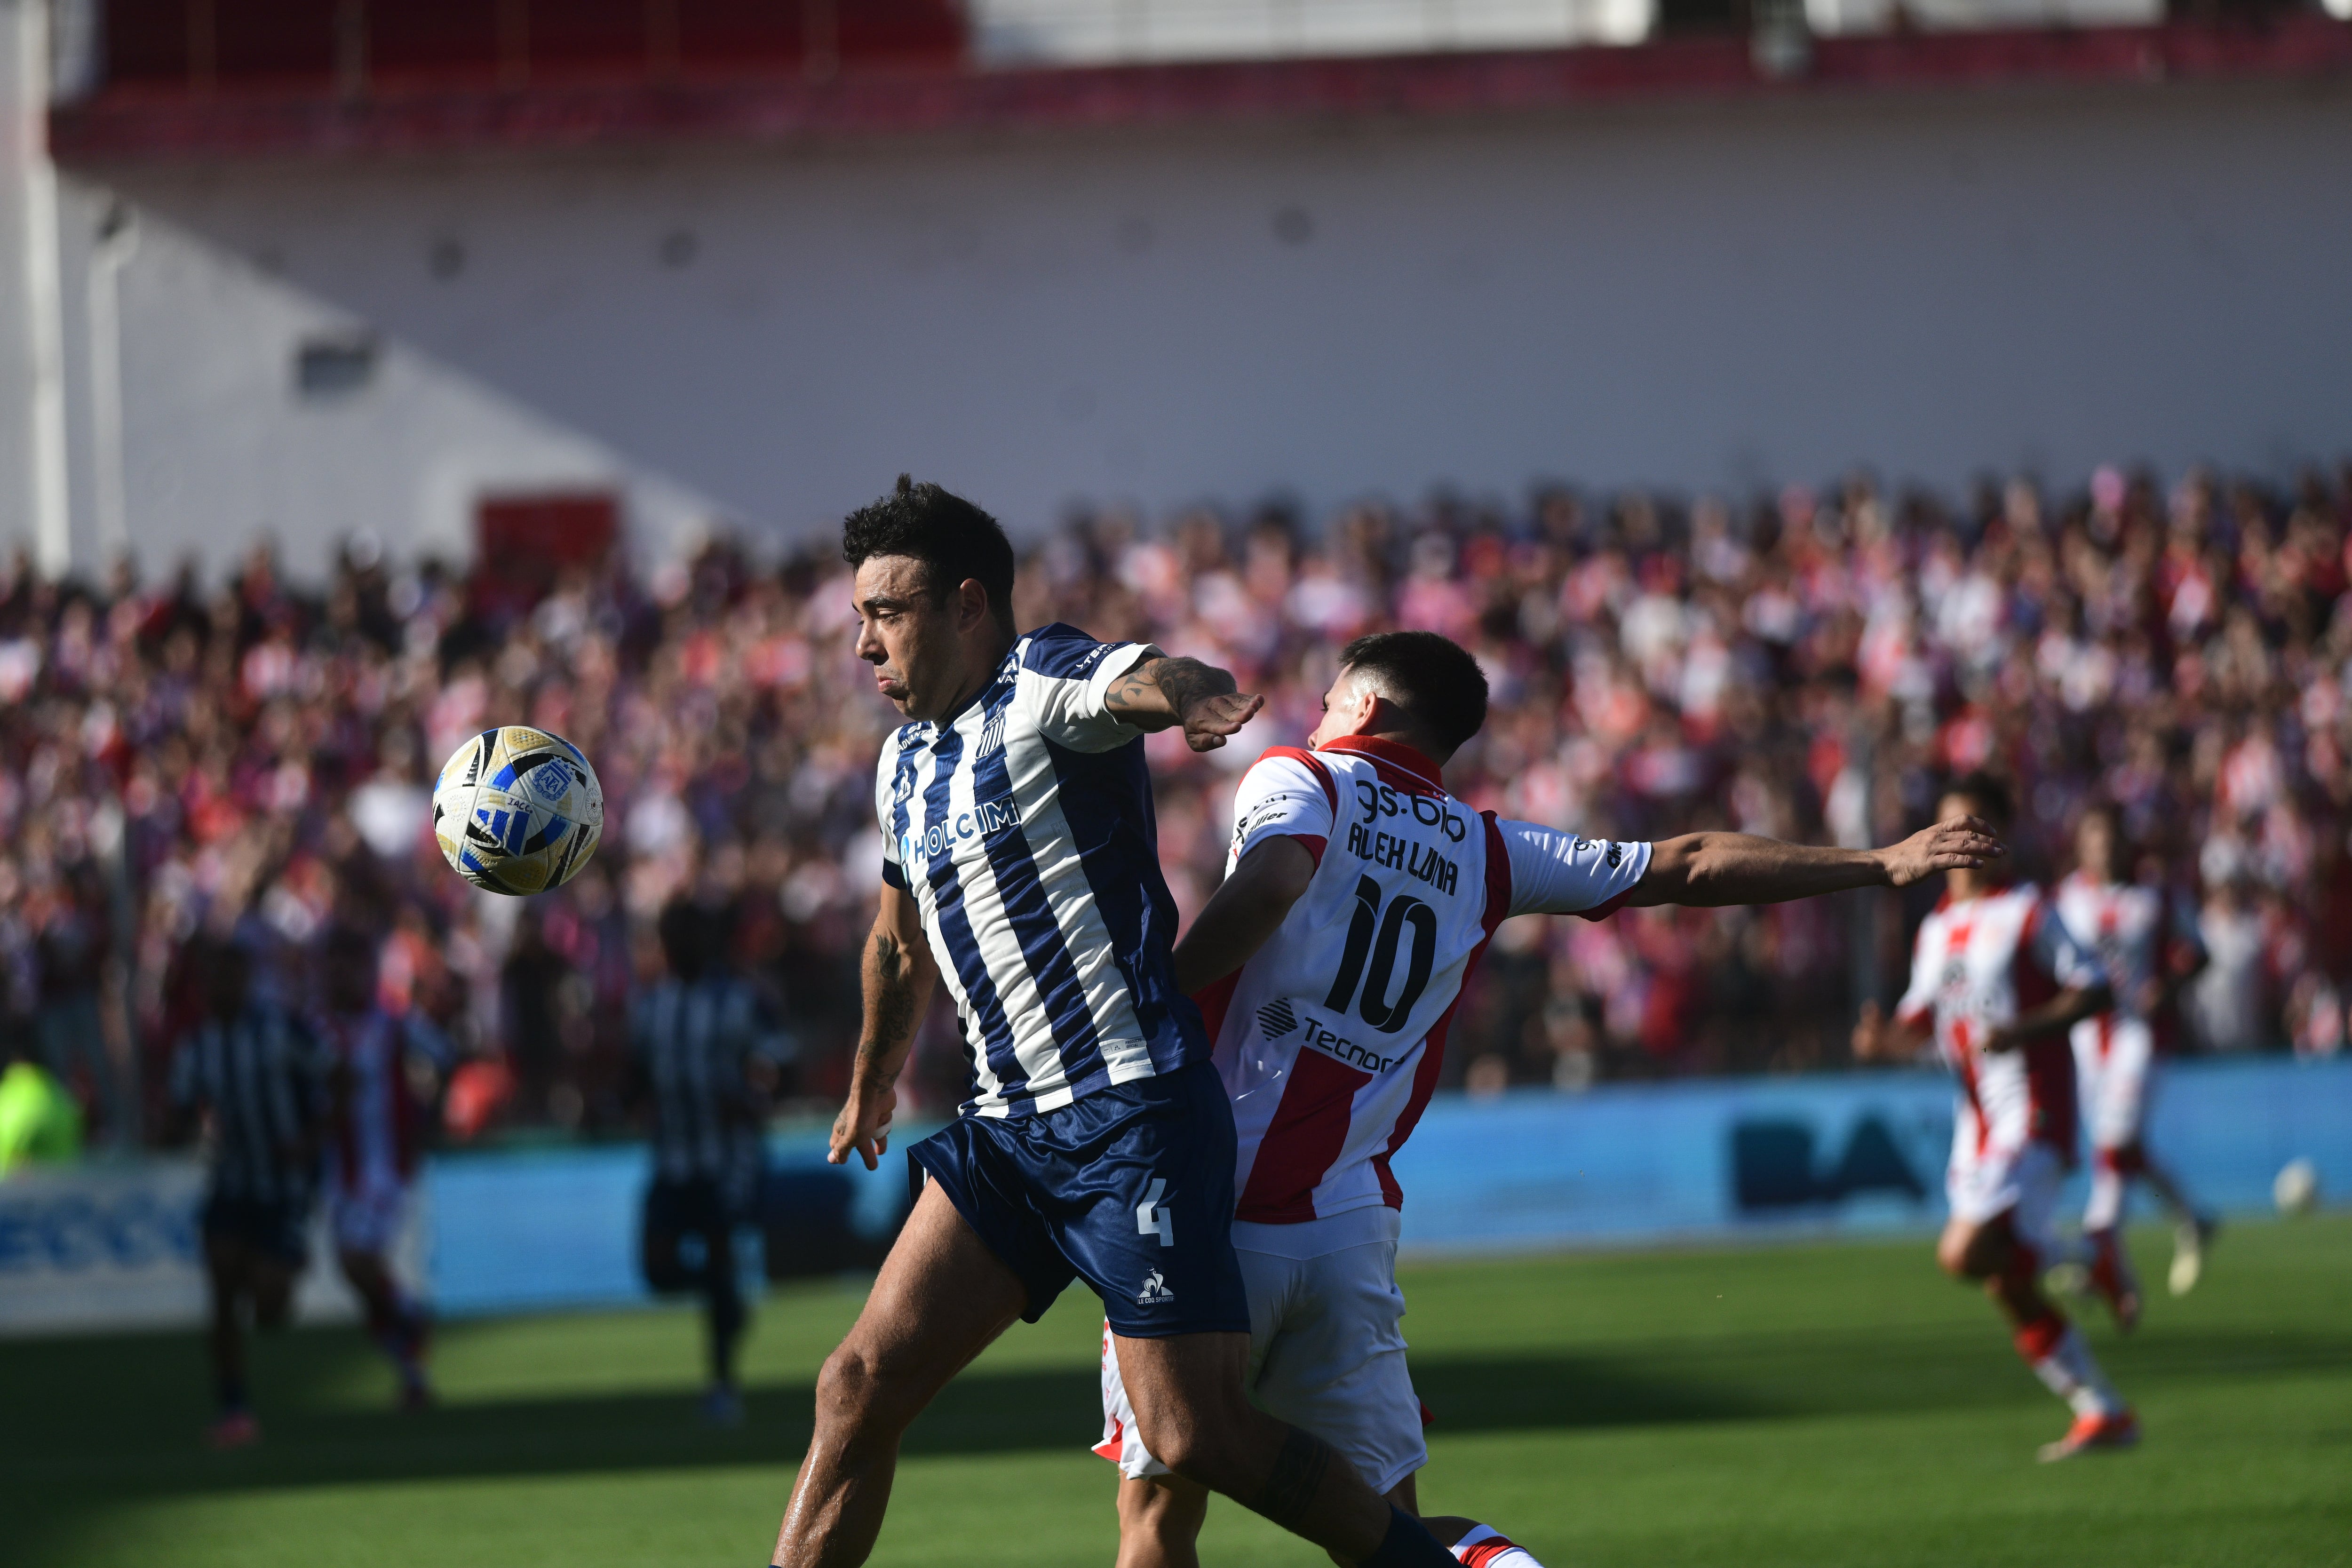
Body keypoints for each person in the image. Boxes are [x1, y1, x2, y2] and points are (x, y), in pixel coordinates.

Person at [1098, 631, 2015, 1567]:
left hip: (1209, 1206)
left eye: (1331, 700)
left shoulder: (1302, 777)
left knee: (1159, 1518)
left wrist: (1152, 1006)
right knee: (1388, 1535)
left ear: (1363, 708)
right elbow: (1688, 861)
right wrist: (1878, 860)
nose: (1319, 714)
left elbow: (1271, 885)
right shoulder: (1487, 848)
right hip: (1345, 1224)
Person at [769, 478, 1465, 1568]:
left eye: (887, 612)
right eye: (859, 615)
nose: (863, 644)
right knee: (855, 1386)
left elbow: (1142, 679)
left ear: (965, 605)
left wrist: (1189, 700)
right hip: (1008, 1133)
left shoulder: (1040, 679)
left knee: (1196, 1434)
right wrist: (871, 1075)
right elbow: (897, 942)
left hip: (1132, 1117)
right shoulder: (903, 766)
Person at [1854, 772, 2135, 1462]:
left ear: (2000, 835)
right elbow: (1918, 1023)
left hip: (2033, 1115)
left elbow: (2095, 990)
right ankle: (2100, 1408)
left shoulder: (2029, 911)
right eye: (1950, 826)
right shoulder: (1937, 930)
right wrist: (1879, 1043)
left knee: (1964, 1252)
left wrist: (2024, 1027)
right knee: (2005, 1281)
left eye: (1976, 824)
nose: (1961, 839)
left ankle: (2087, 1253)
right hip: (1974, 1128)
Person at [167, 936, 331, 1449]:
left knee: (268, 1306)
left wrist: (311, 1140)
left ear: (247, 980)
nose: (222, 986)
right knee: (221, 1291)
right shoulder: (197, 1046)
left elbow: (340, 1079)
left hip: (283, 1187)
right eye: (213, 976)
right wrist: (177, 1130)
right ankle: (234, 1406)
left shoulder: (281, 1030)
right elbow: (178, 1111)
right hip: (232, 1182)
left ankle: (284, 1272)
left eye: (231, 975)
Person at [632, 897, 787, 1426]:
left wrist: (753, 1094)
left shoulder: (740, 999)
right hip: (672, 1157)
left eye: (689, 933)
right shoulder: (652, 1005)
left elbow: (778, 1061)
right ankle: (726, 1299)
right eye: (672, 935)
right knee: (656, 1269)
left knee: (720, 1251)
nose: (681, 946)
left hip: (728, 1158)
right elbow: (635, 1074)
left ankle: (722, 1384)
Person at [2052, 804, 2216, 1298]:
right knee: (2121, 1148)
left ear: (2125, 842)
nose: (2102, 846)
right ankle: (2192, 1216)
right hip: (2085, 1035)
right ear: (2080, 844)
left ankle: (2096, 1253)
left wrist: (2166, 986)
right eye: (2093, 836)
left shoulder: (2156, 894)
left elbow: (2200, 953)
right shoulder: (2065, 899)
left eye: (2110, 836)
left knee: (2114, 1138)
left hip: (2139, 1032)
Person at [317, 925, 447, 1409]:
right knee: (355, 1273)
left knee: (358, 1260)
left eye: (349, 967)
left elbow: (444, 1055)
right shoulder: (318, 1027)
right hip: (340, 1168)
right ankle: (410, 1364)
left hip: (384, 1167)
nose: (340, 978)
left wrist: (426, 1112)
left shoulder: (393, 1024)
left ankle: (411, 1319)